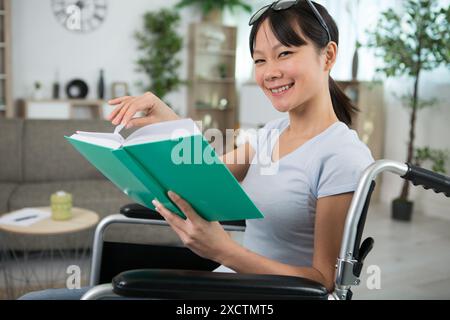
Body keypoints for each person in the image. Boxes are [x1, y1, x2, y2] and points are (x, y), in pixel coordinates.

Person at [20, 0, 373, 299]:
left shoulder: (341, 156)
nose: (269, 72)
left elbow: (325, 282)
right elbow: (208, 174)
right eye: (260, 60)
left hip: (258, 296)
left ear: (327, 56)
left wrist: (223, 249)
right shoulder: (274, 131)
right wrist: (168, 121)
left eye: (284, 54)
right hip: (228, 282)